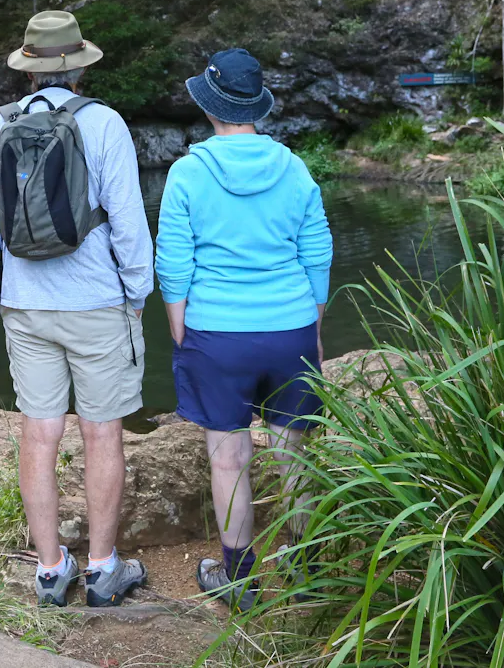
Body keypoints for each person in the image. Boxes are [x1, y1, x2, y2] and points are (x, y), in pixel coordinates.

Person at [0, 10, 154, 608]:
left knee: (38, 433)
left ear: (28, 69)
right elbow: (127, 221)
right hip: (98, 301)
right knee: (103, 433)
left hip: (24, 303)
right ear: (77, 65)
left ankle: (50, 571)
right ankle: (102, 569)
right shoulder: (104, 124)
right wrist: (136, 291)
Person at [155, 48, 333, 610]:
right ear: (256, 105)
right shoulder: (294, 166)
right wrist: (313, 323)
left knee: (228, 457)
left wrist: (181, 327)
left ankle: (238, 578)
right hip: (291, 328)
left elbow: (174, 260)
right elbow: (317, 249)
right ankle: (306, 569)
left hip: (217, 334)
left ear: (209, 107)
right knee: (294, 452)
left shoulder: (188, 172)